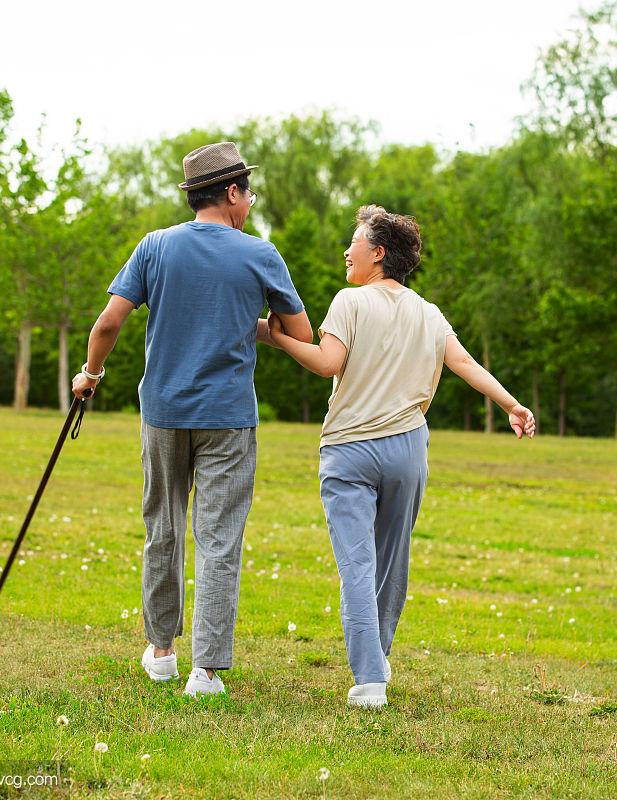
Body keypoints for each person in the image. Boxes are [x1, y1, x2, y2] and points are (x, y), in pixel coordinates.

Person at [268, 204, 536, 707]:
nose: (347, 251)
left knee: (357, 566)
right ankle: (378, 657)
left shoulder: (349, 302)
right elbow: (464, 363)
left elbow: (328, 364)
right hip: (408, 450)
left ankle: (370, 678)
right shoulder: (428, 313)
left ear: (379, 253)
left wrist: (277, 339)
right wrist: (511, 404)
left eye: (355, 243)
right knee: (392, 563)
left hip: (349, 450)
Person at [71, 142, 313, 698]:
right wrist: (255, 324)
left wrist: (90, 375)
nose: (249, 203)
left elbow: (108, 323)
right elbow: (300, 335)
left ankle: (161, 652)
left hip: (163, 412)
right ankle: (205, 671)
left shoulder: (155, 247)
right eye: (247, 192)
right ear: (231, 193)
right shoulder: (260, 254)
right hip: (228, 418)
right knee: (219, 537)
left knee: (164, 527)